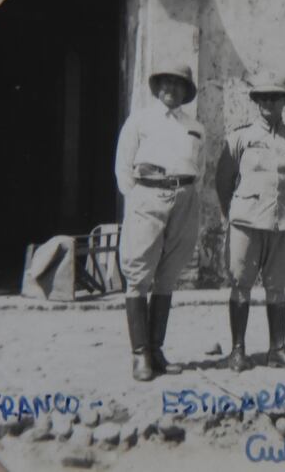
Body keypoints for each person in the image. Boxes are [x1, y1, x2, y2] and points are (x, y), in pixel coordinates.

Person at [114, 62, 205, 381]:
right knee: (138, 273)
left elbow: (200, 167)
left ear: (186, 91)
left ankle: (156, 350)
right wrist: (138, 200)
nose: (171, 88)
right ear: (157, 86)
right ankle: (140, 354)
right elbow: (123, 167)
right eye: (166, 82)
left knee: (168, 274)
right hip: (148, 197)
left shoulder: (195, 126)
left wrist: (186, 194)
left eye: (178, 84)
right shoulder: (140, 120)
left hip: (184, 198)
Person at [215, 75, 285, 372]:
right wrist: (235, 213)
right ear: (256, 102)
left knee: (277, 288)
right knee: (241, 285)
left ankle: (277, 349)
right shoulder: (239, 137)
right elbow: (224, 181)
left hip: (282, 223)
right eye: (264, 97)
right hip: (247, 222)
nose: (269, 102)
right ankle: (238, 350)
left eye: (276, 97)